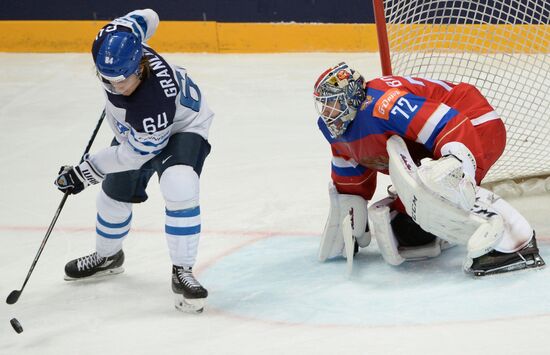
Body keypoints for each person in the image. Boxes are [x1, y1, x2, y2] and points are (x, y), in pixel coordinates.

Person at [313, 62, 545, 276]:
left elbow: (448, 123)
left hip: (473, 123)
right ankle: (452, 213)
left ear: (352, 97)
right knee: (409, 232)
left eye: (332, 104)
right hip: (437, 143)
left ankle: (514, 243)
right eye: (323, 106)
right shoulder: (336, 128)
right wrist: (349, 211)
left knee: (444, 182)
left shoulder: (384, 105)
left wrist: (454, 165)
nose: (327, 113)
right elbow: (351, 168)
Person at [54, 9, 213, 312]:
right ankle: (108, 256)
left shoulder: (152, 104)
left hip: (182, 125)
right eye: (107, 81)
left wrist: (83, 173)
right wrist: (134, 29)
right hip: (136, 130)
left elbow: (132, 155)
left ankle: (182, 270)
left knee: (180, 184)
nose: (115, 88)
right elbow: (148, 16)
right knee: (112, 196)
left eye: (122, 81)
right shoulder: (110, 41)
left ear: (141, 66)